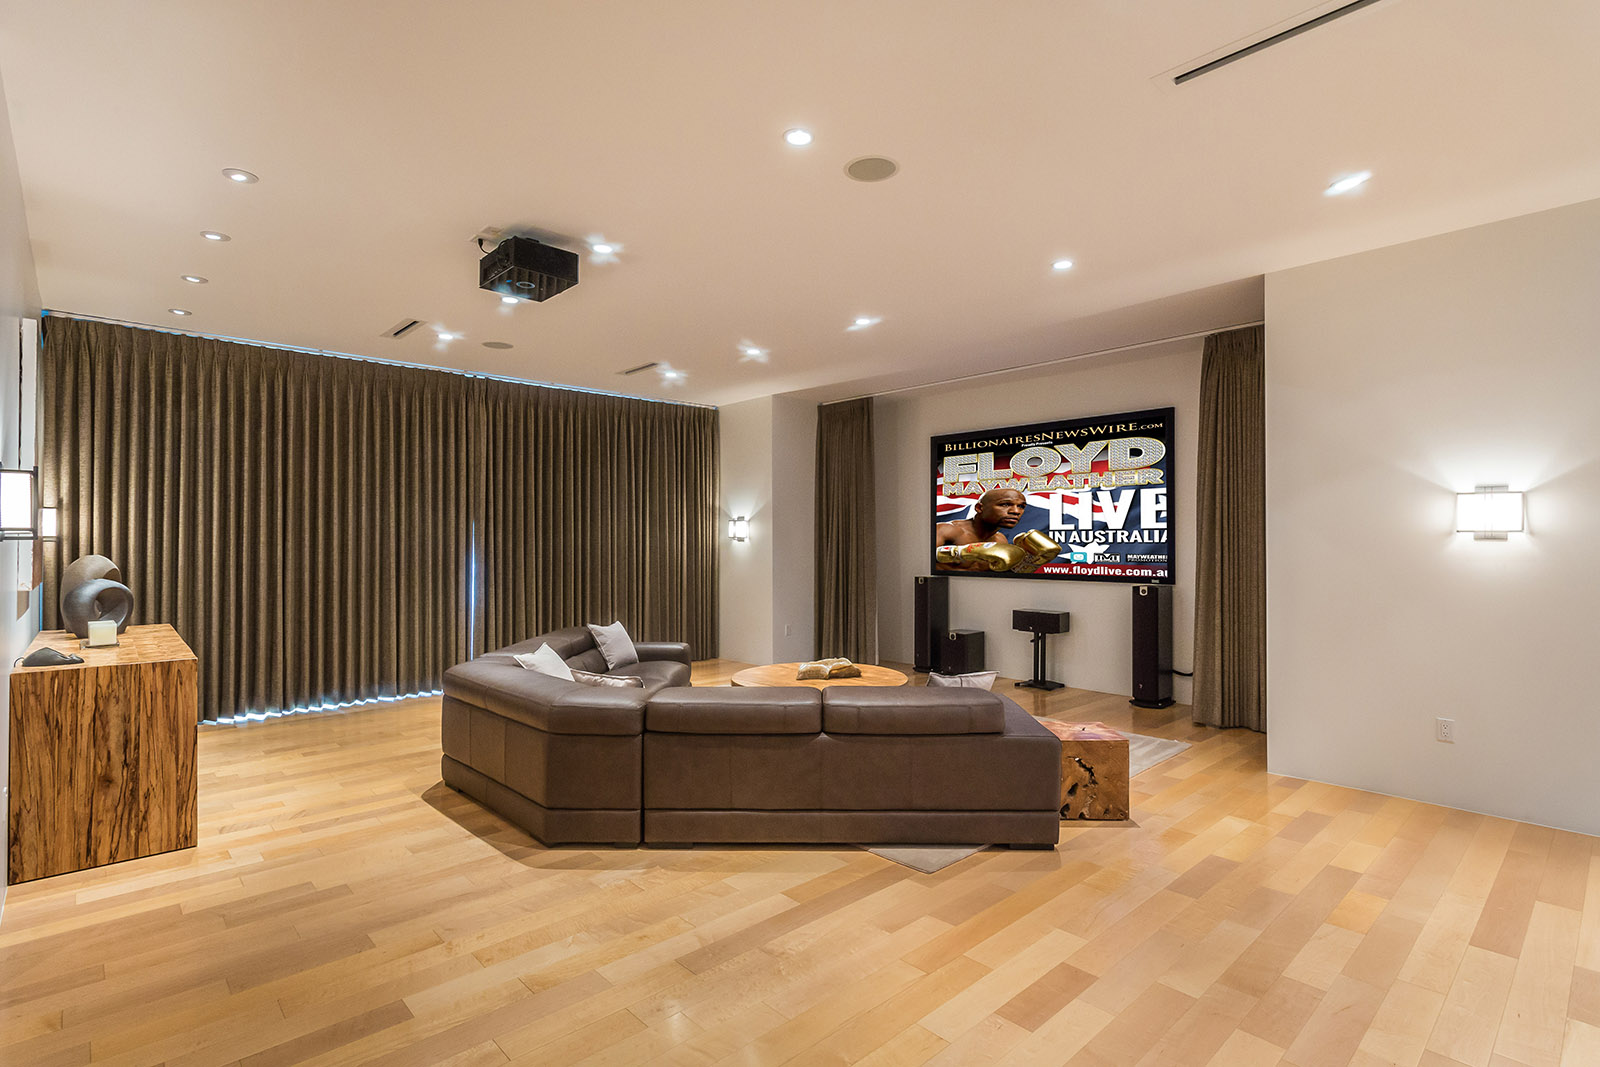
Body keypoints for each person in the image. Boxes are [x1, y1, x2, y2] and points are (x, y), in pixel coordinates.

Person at [935, 488, 1027, 571]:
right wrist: (960, 552)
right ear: (979, 508)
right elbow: (926, 561)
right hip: (942, 584)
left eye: (1021, 506)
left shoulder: (1000, 540)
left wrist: (1029, 562)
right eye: (1005, 504)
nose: (1016, 511)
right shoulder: (946, 530)